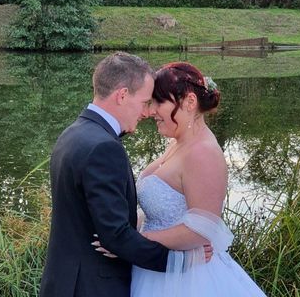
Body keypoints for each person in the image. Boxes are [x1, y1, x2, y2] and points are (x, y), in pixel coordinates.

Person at [103, 62, 267, 297]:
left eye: (159, 102)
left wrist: (130, 242)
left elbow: (201, 230)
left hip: (189, 281)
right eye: (150, 102)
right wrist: (121, 229)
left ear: (189, 102)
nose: (150, 112)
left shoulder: (203, 153)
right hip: (159, 267)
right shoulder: (178, 143)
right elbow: (160, 212)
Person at [39, 52, 172, 297]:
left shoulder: (73, 133)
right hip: (92, 286)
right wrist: (176, 263)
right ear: (122, 95)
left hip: (63, 281)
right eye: (144, 102)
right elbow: (116, 236)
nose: (146, 113)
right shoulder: (103, 147)